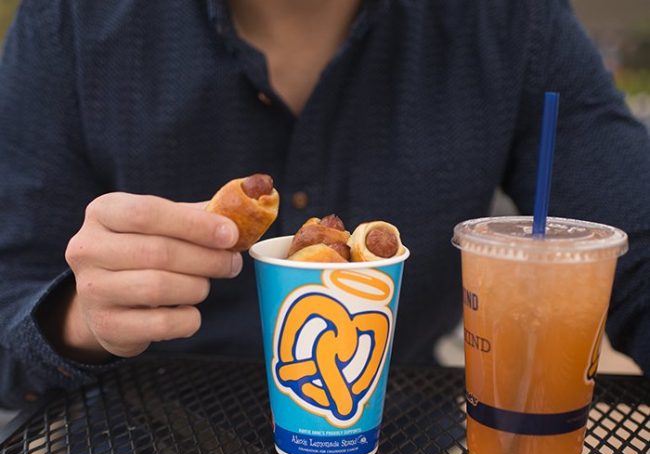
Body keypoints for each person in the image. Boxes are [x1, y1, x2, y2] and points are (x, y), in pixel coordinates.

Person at [0, 0, 648, 409]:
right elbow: (10, 324)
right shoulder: (69, 21)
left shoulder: (514, 22)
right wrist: (79, 317)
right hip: (120, 452)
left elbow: (636, 253)